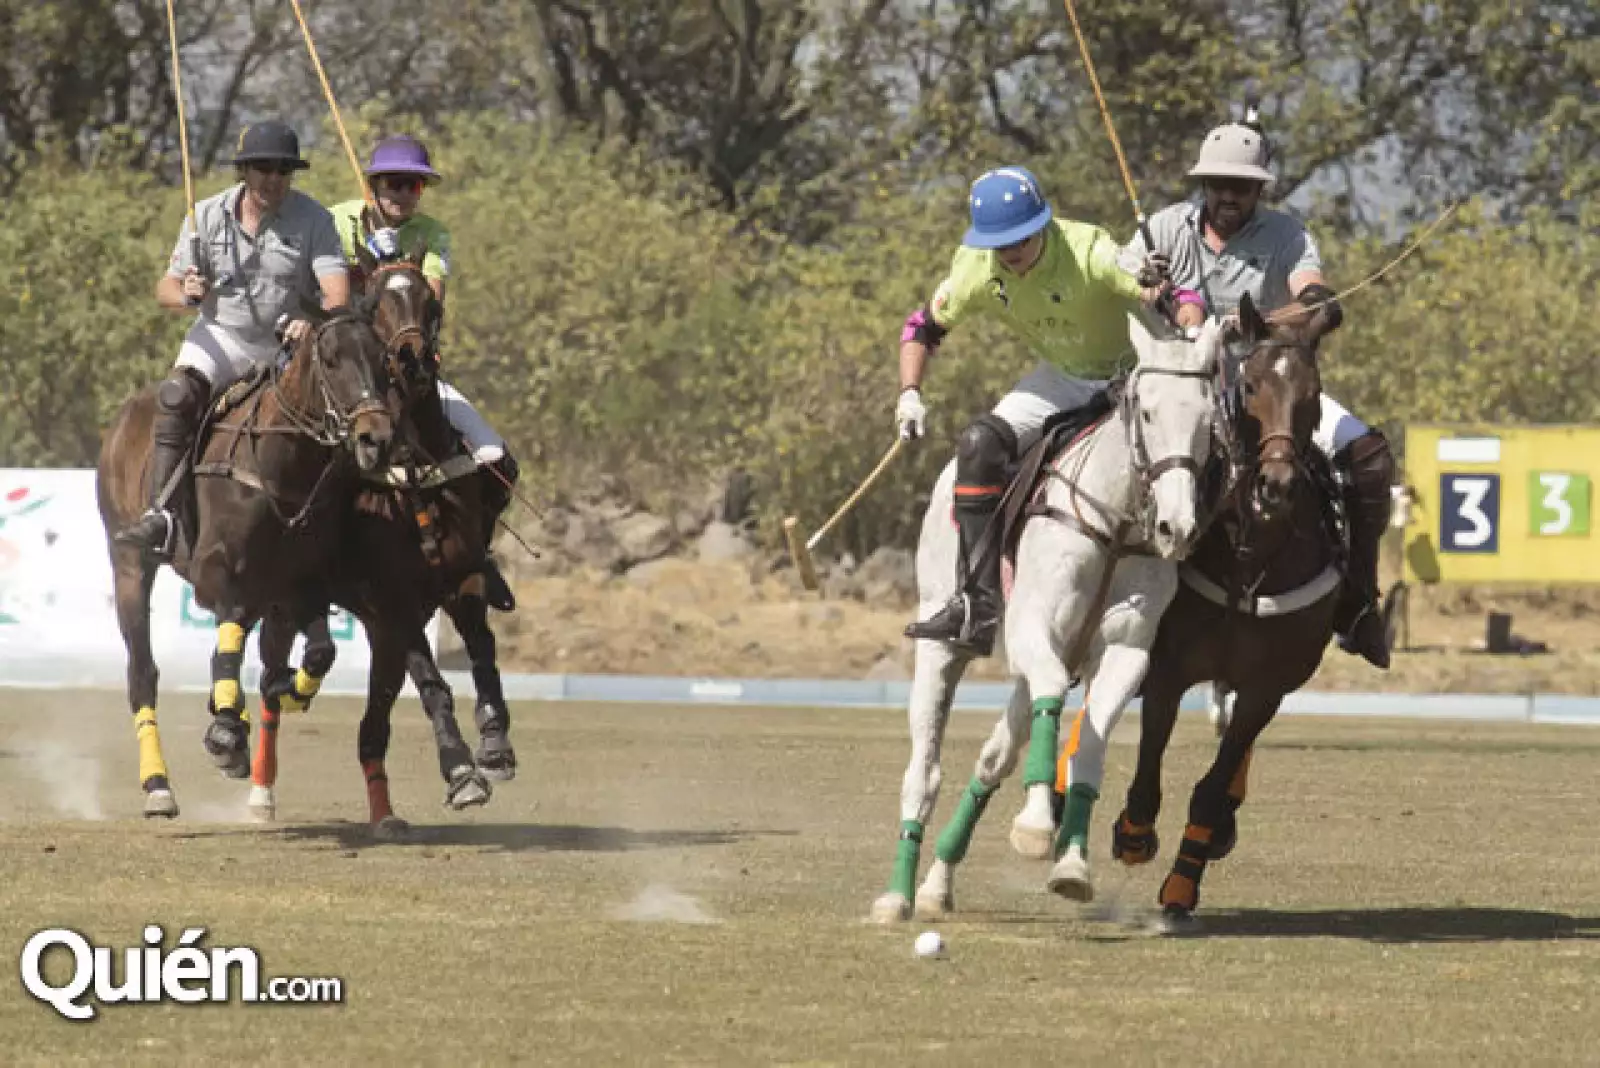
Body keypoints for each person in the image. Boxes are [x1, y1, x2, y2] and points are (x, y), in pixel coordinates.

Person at [1118, 118, 1395, 668]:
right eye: (1219, 184)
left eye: (1242, 187)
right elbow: (1118, 280)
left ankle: (1359, 601)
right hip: (1180, 385)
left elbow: (1316, 298)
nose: (1229, 196)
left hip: (1268, 384)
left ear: (1259, 190)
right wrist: (1145, 283)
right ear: (1204, 184)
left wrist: (1262, 320)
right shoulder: (1164, 228)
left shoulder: (1288, 236)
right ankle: (1111, 605)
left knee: (1368, 457)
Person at [898, 166, 1186, 655]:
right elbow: (921, 328)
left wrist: (1166, 297)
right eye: (1000, 243)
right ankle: (977, 604)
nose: (1010, 252)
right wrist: (909, 393)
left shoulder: (1089, 249)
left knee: (1185, 454)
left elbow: (1176, 298)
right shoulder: (975, 268)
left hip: (1134, 377)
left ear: (1044, 226)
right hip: (1063, 378)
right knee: (978, 444)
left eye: (1021, 239)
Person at [116, 121, 349, 557]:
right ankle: (163, 514)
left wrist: (309, 317)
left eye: (284, 170)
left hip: (285, 346)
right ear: (244, 171)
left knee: (344, 409)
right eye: (264, 169)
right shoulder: (204, 216)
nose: (274, 179)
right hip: (221, 335)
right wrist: (186, 294)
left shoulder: (315, 219)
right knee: (176, 396)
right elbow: (165, 288)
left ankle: (339, 533)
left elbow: (336, 294)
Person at [328, 134, 517, 610]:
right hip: (350, 373)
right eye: (394, 183)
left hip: (410, 373)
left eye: (413, 185)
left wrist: (395, 268)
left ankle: (477, 555)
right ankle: (316, 563)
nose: (403, 193)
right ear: (374, 185)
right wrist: (361, 270)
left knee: (497, 459)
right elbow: (324, 292)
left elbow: (431, 297)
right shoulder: (336, 221)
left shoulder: (434, 234)